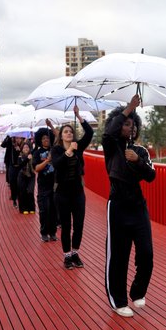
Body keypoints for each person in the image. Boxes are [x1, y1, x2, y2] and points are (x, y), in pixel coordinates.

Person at [102, 95, 156, 318]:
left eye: (132, 124)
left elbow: (151, 176)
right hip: (117, 207)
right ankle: (118, 301)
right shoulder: (110, 146)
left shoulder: (140, 151)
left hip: (138, 206)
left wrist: (137, 161)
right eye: (125, 123)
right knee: (118, 256)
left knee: (146, 253)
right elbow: (108, 132)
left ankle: (137, 292)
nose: (129, 127)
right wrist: (129, 108)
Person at [50, 106, 93, 269]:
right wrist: (68, 151)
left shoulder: (78, 147)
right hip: (62, 193)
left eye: (70, 131)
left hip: (78, 193)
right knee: (66, 226)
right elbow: (57, 164)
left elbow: (89, 133)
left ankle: (75, 253)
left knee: (79, 224)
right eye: (65, 132)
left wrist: (79, 116)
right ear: (61, 135)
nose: (68, 133)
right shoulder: (57, 150)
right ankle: (67, 256)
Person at [33, 127, 58, 241]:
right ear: (40, 140)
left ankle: (53, 232)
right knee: (44, 210)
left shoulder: (55, 150)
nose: (46, 140)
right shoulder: (37, 153)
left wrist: (51, 126)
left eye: (47, 137)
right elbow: (36, 168)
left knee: (54, 210)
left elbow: (59, 137)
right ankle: (44, 233)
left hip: (55, 185)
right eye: (43, 138)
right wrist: (47, 160)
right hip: (43, 186)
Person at [1, 135, 24, 208]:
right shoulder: (9, 141)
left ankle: (20, 198)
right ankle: (14, 199)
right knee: (12, 181)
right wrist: (8, 137)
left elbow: (27, 152)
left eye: (18, 138)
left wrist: (20, 150)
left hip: (20, 165)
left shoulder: (23, 142)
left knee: (20, 183)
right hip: (11, 164)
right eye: (16, 138)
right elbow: (3, 145)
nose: (17, 139)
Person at [17, 142, 36, 214]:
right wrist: (27, 159)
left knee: (30, 191)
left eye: (27, 147)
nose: (26, 149)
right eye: (24, 147)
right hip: (22, 176)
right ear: (22, 149)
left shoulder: (32, 156)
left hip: (31, 176)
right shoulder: (20, 157)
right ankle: (24, 208)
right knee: (23, 192)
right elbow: (20, 166)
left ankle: (31, 208)